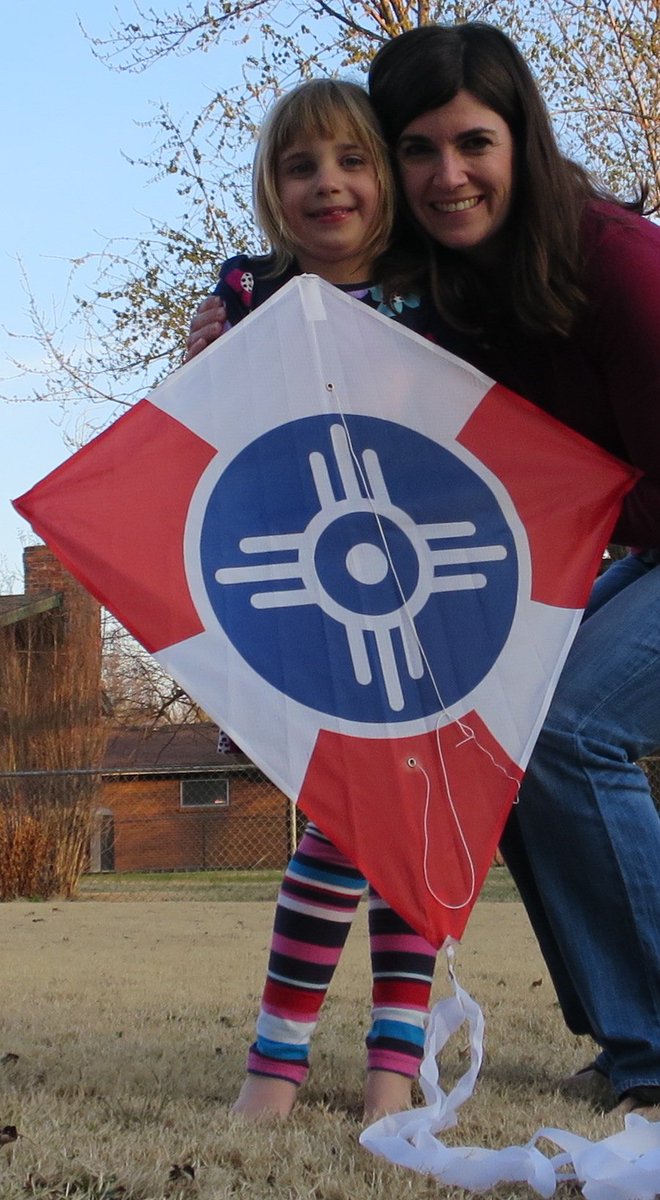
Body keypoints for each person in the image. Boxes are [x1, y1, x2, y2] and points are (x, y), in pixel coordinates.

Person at [364, 22, 660, 1116]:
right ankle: (631, 1037)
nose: (449, 176)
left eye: (474, 142)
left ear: (521, 140)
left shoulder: (618, 263)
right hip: (640, 539)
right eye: (418, 149)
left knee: (570, 722)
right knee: (510, 721)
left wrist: (540, 513)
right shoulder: (437, 290)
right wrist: (232, 318)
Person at [195, 78, 439, 1123]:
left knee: (397, 830)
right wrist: (204, 362)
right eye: (300, 166)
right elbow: (208, 440)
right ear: (272, 189)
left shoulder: (441, 291)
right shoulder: (251, 296)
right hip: (301, 599)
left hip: (432, 601)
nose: (328, 184)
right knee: (344, 822)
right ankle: (300, 1068)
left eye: (351, 160)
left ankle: (369, 1069)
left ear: (387, 178)